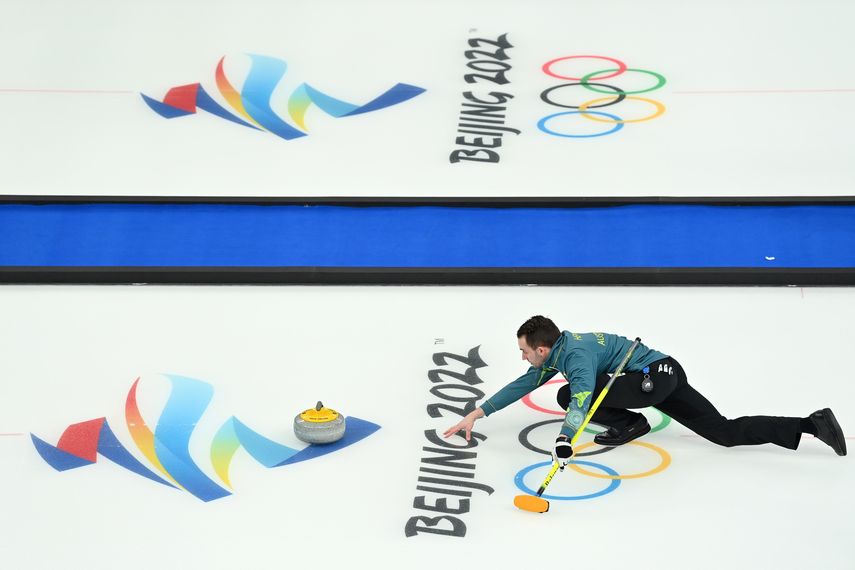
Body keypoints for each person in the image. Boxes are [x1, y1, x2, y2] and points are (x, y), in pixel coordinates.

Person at [443, 315, 847, 466]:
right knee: (723, 433)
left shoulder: (577, 357)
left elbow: (583, 394)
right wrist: (479, 413)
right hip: (663, 374)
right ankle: (811, 425)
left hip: (650, 377)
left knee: (570, 396)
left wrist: (566, 438)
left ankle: (632, 425)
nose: (523, 358)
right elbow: (522, 384)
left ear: (543, 348)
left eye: (524, 351)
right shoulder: (558, 353)